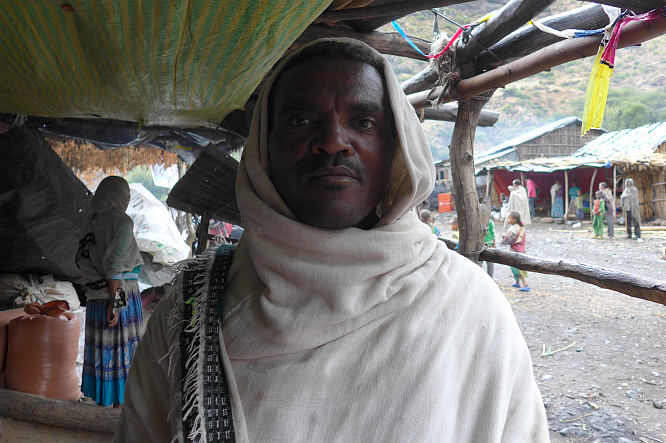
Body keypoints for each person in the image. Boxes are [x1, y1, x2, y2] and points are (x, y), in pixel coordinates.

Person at [116, 39, 548, 442]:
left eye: (363, 122)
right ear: (264, 149)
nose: (333, 142)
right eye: (301, 120)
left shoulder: (468, 307)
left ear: (396, 150)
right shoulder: (191, 307)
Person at [75, 176, 145, 408]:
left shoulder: (91, 221)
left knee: (104, 353)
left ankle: (105, 406)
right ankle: (119, 411)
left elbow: (83, 259)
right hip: (118, 293)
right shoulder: (122, 222)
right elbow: (114, 264)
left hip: (96, 296)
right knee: (121, 352)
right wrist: (115, 303)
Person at [500, 211, 530, 292]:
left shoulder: (513, 229)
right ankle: (517, 282)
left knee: (515, 267)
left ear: (514, 220)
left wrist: (504, 237)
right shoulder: (521, 227)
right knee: (519, 266)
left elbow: (511, 239)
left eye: (509, 218)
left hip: (516, 250)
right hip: (521, 249)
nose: (507, 219)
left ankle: (525, 283)